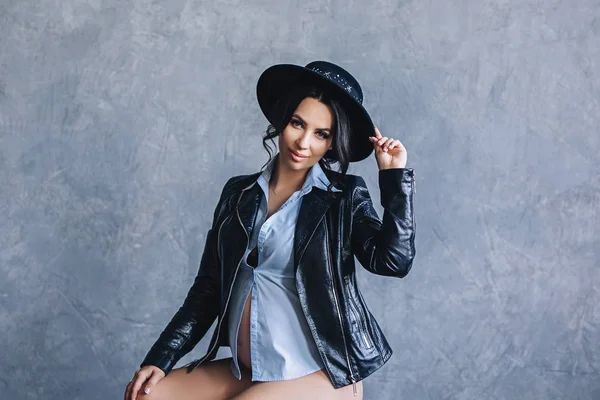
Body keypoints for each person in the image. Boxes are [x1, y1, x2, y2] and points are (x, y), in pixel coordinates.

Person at [124, 60, 416, 400]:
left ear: (332, 144)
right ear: (282, 121)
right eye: (297, 123)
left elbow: (393, 262)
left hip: (320, 372)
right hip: (248, 369)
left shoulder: (344, 197)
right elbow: (208, 288)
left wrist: (395, 179)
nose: (303, 142)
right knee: (144, 395)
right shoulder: (239, 194)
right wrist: (160, 359)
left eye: (321, 134)